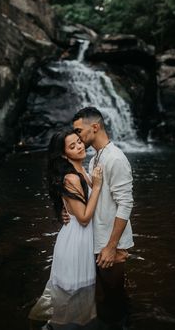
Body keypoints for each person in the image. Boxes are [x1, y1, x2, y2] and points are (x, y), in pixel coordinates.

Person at [28, 128, 103, 329]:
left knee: (78, 300)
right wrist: (96, 187)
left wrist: (65, 208)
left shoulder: (81, 171)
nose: (79, 146)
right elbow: (85, 218)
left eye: (79, 141)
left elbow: (76, 207)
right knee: (73, 295)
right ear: (63, 154)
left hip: (81, 238)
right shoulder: (71, 178)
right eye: (72, 146)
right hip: (76, 242)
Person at [70, 107, 134, 328]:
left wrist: (111, 246)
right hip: (99, 240)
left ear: (94, 127)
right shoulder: (95, 158)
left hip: (110, 243)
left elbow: (125, 204)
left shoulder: (115, 158)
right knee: (105, 297)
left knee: (115, 300)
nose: (76, 136)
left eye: (79, 130)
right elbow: (96, 199)